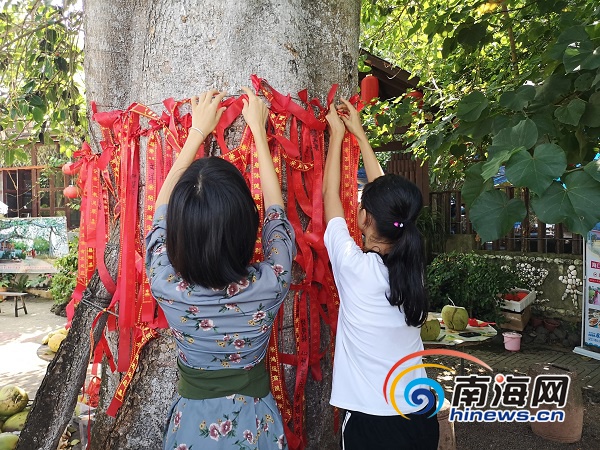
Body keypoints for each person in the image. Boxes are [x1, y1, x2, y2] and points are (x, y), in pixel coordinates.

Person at [145, 88, 295, 450]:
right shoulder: (272, 282)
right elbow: (277, 217)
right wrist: (258, 131)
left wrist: (196, 133)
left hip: (190, 429)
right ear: (247, 227)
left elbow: (159, 214)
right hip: (255, 427)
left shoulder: (164, 282)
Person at [322, 98, 439, 449]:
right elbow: (390, 205)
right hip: (420, 419)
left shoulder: (355, 268)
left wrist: (338, 136)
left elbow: (329, 196)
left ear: (364, 218)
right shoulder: (412, 267)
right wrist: (359, 134)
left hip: (373, 426)